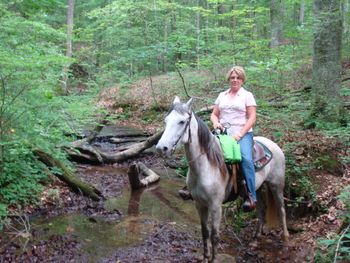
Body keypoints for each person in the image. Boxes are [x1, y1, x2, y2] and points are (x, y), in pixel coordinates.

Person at [210, 66, 257, 212]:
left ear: (242, 79)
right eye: (232, 78)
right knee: (203, 150)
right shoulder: (222, 95)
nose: (235, 80)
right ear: (229, 79)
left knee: (246, 159)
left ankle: (251, 196)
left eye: (238, 78)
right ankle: (194, 186)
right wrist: (216, 123)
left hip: (242, 133)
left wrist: (240, 134)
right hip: (223, 133)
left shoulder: (247, 95)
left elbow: (252, 117)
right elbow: (214, 114)